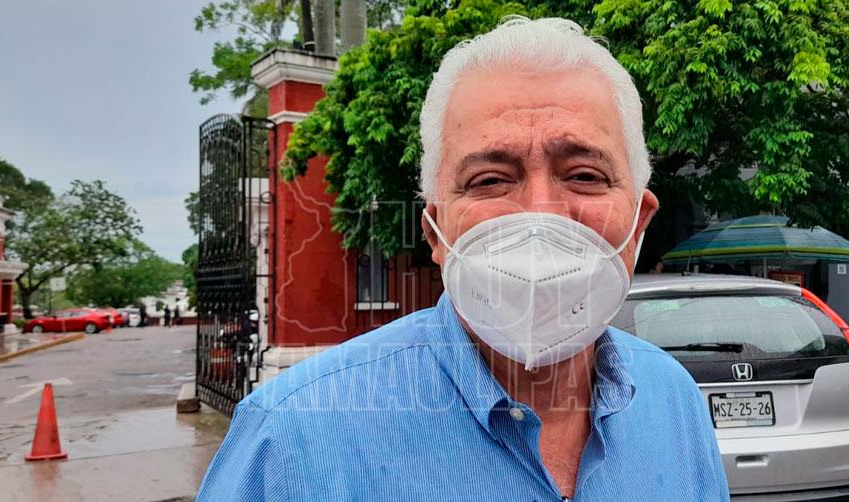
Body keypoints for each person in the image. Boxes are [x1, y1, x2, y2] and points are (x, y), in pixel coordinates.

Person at [198, 17, 728, 501]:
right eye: (490, 180)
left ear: (638, 222)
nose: (539, 214)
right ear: (435, 232)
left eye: (585, 175)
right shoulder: (289, 440)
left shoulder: (673, 402)